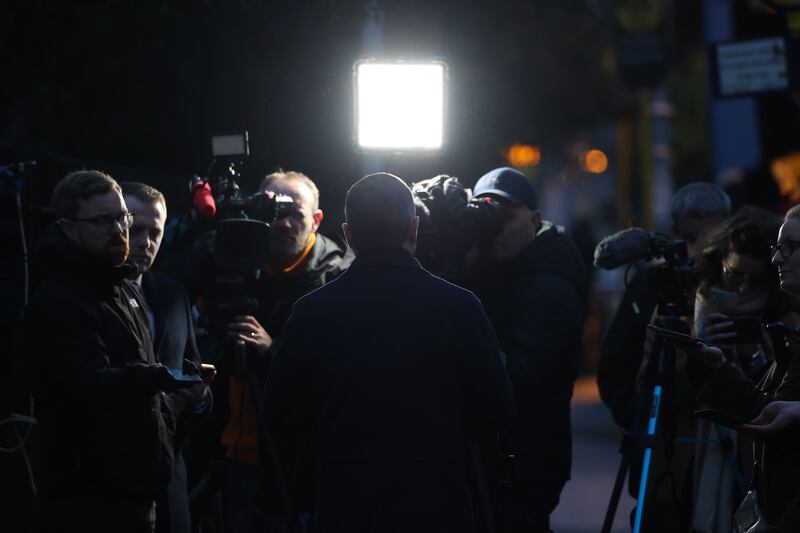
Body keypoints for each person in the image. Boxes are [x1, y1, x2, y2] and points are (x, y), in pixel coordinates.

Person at [264, 172, 515, 533]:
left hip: (345, 503)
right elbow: (499, 409)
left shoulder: (311, 312)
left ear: (348, 236)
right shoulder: (459, 307)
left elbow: (279, 414)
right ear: (414, 229)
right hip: (438, 502)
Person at [24, 170, 179, 533]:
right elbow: (85, 385)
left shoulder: (123, 289)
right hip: (86, 504)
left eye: (122, 217)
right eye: (102, 220)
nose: (119, 229)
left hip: (138, 496)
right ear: (69, 228)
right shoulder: (57, 301)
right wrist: (155, 378)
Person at [198, 170, 352, 532]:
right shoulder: (234, 263)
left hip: (303, 467)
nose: (281, 224)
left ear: (316, 220)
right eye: (272, 213)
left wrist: (272, 351)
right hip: (235, 461)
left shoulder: (337, 279)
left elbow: (340, 371)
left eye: (294, 214)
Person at [466, 167, 588, 532]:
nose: (493, 230)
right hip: (497, 456)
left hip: (524, 460)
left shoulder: (550, 282)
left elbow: (516, 376)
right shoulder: (491, 266)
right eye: (485, 219)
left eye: (504, 219)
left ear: (534, 220)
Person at [688, 204, 800, 530]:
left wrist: (760, 358)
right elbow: (768, 409)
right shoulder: (697, 306)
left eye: (790, 248)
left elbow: (769, 413)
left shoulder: (788, 325)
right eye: (778, 248)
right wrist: (712, 362)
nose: (778, 258)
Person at [598, 182, 732, 431]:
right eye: (690, 239)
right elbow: (614, 367)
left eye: (710, 239)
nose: (700, 250)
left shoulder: (739, 284)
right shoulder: (651, 285)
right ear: (674, 232)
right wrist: (639, 418)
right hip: (662, 439)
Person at [121, 182, 213, 533]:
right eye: (135, 229)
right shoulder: (84, 298)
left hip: (170, 482)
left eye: (154, 231)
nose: (145, 242)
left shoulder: (172, 294)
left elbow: (195, 373)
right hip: (109, 484)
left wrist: (199, 398)